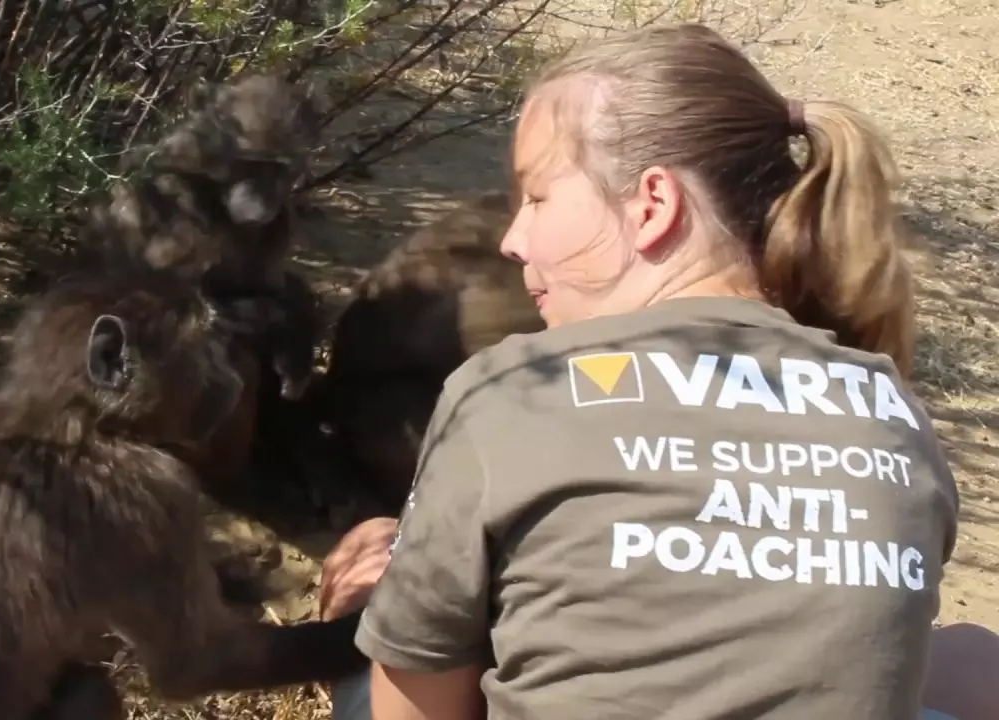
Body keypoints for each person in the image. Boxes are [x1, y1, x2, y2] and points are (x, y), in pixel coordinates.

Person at [313, 21, 984, 720]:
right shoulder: (896, 413)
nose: (514, 241)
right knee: (972, 657)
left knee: (373, 566)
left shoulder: (508, 390)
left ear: (652, 205)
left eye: (537, 198)